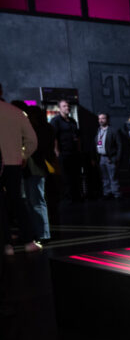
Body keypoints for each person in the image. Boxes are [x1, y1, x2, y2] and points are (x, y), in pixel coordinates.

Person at [0, 92, 39, 254]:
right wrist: (23, 155)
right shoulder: (15, 112)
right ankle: (29, 241)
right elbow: (32, 140)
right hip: (14, 163)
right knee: (17, 200)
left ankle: (6, 244)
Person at [22, 104, 53, 243]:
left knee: (36, 201)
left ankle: (42, 233)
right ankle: (41, 233)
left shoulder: (38, 130)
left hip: (34, 167)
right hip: (35, 167)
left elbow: (39, 148)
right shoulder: (44, 128)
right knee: (35, 201)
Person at [50, 99, 83, 202]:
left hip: (74, 153)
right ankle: (67, 198)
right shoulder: (56, 121)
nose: (67, 108)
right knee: (65, 177)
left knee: (75, 176)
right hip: (63, 153)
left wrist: (79, 150)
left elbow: (77, 137)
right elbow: (54, 137)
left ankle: (76, 196)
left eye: (68, 106)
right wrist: (57, 152)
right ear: (59, 108)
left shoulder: (72, 121)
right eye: (64, 106)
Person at [93, 113, 123, 199]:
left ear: (107, 120)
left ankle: (116, 194)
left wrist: (117, 158)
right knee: (104, 177)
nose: (101, 120)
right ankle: (107, 193)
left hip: (111, 158)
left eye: (103, 118)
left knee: (113, 177)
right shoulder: (98, 130)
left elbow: (120, 145)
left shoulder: (113, 130)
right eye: (99, 119)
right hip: (101, 157)